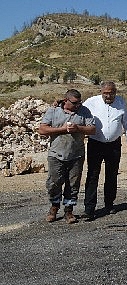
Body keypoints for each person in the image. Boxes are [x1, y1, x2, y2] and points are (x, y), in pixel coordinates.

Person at [38, 89, 96, 224]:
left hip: (76, 155)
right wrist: (62, 130)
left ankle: (69, 210)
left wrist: (78, 128)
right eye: (75, 103)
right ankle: (54, 206)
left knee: (73, 184)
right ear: (66, 101)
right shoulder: (53, 111)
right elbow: (42, 129)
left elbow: (92, 129)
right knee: (54, 182)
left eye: (79, 103)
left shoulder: (84, 111)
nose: (78, 106)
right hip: (56, 154)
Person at [82, 81, 127, 219]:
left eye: (111, 93)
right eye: (105, 93)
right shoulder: (91, 102)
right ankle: (89, 208)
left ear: (115, 92)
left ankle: (109, 204)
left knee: (111, 175)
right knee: (93, 175)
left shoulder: (121, 102)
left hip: (114, 145)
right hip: (95, 143)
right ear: (101, 92)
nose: (108, 95)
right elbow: (78, 110)